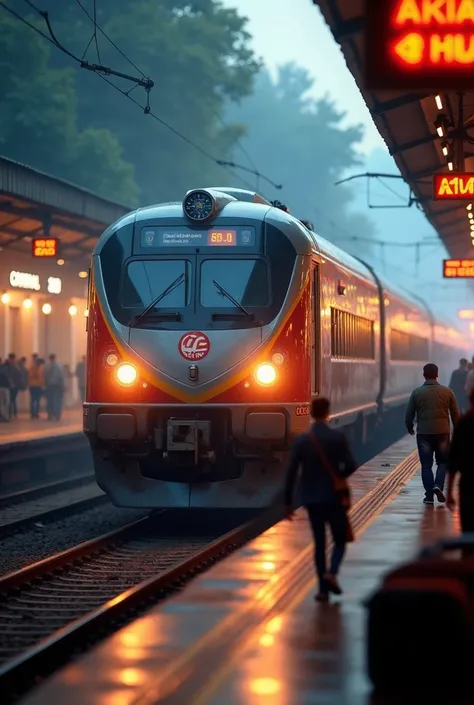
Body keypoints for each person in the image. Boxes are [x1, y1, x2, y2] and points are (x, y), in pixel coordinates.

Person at [284, 397, 358, 602]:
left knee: (319, 543)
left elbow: (291, 472)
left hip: (311, 500)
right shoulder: (338, 437)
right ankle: (332, 573)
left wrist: (288, 502)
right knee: (340, 539)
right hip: (334, 498)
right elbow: (352, 465)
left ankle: (322, 591)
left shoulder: (302, 440)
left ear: (311, 413)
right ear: (327, 413)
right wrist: (339, 477)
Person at [405, 362, 460, 505]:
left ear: (424, 375)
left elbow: (409, 413)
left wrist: (409, 426)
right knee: (442, 462)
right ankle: (438, 486)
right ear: (437, 375)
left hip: (424, 434)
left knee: (426, 465)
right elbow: (455, 414)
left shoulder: (416, 392)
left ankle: (429, 496)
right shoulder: (447, 392)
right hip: (443, 434)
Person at [447, 388, 474, 535]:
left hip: (468, 484)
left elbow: (453, 460)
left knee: (468, 531)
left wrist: (450, 491)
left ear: (470, 401)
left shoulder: (464, 423)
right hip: (467, 484)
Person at [43, 354, 65, 421]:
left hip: (49, 386)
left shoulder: (47, 366)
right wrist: (63, 386)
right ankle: (57, 415)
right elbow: (61, 377)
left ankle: (50, 414)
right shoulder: (58, 366)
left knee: (50, 401)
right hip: (57, 386)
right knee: (57, 400)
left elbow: (45, 376)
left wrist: (45, 385)